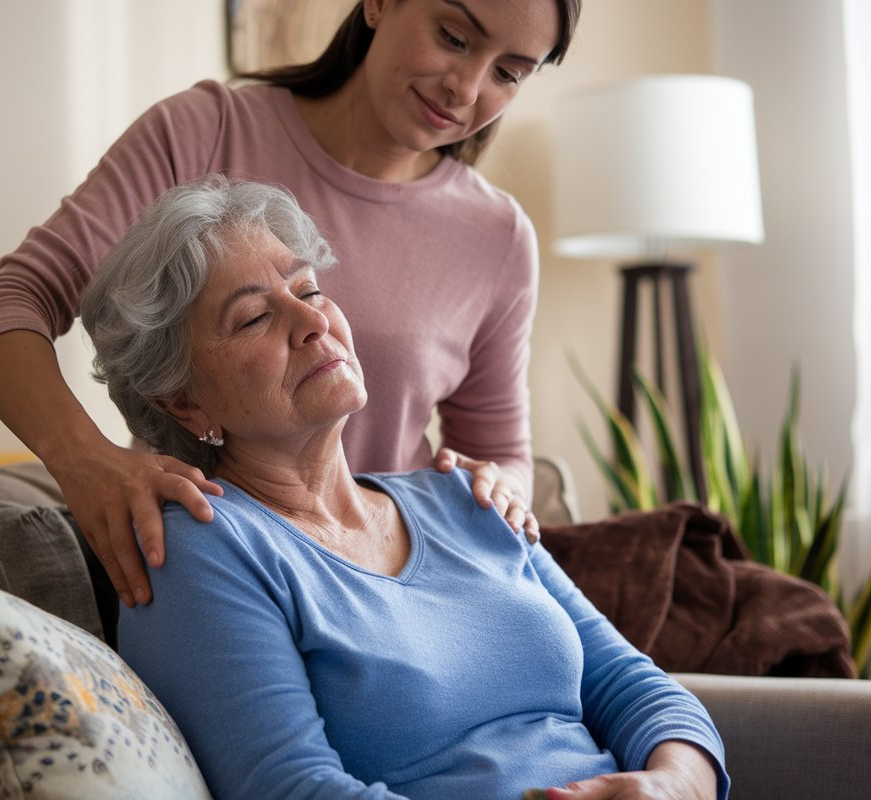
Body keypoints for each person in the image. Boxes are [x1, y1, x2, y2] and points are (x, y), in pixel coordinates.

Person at [88, 177, 728, 800]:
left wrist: (672, 784)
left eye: (308, 288)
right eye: (254, 316)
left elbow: (633, 685)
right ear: (182, 403)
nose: (312, 319)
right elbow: (289, 787)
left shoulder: (463, 497)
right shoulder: (204, 547)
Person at [0, 0, 582, 609]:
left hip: (396, 601)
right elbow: (12, 302)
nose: (466, 88)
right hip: (223, 587)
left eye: (509, 73)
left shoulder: (496, 236)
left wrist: (501, 485)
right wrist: (86, 460)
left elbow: (498, 454)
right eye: (453, 36)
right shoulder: (205, 133)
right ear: (379, 3)